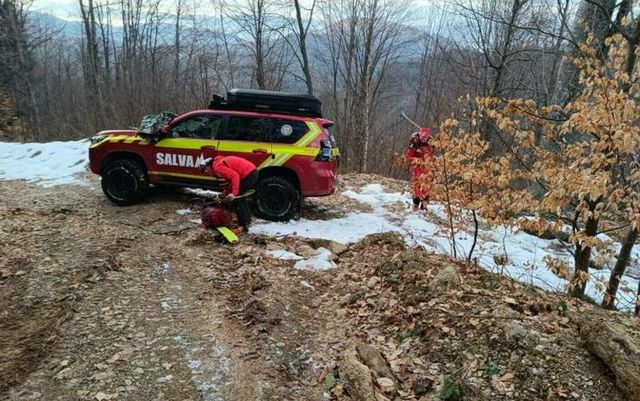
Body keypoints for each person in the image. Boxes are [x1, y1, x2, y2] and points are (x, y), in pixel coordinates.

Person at [199, 155, 258, 233]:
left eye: (205, 170)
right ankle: (246, 220)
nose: (207, 173)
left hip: (249, 175)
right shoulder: (218, 164)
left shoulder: (217, 167)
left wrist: (233, 194)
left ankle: (243, 226)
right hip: (251, 172)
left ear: (209, 165)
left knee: (238, 200)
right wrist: (224, 194)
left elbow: (235, 176)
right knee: (241, 199)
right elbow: (231, 182)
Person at [405, 127, 434, 211]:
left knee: (427, 186)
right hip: (417, 166)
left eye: (425, 138)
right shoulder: (415, 142)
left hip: (427, 166)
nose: (423, 139)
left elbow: (431, 155)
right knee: (417, 185)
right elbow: (408, 156)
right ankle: (415, 204)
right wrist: (418, 160)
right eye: (422, 138)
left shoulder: (431, 142)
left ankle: (424, 206)